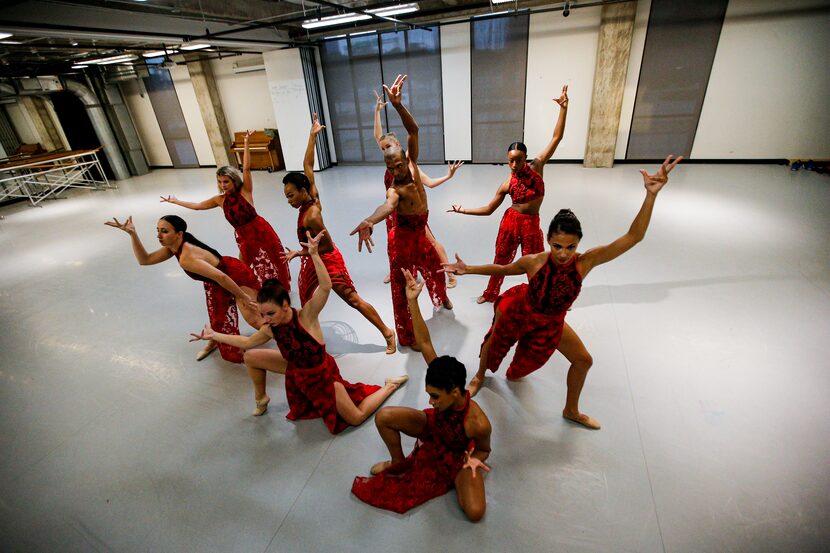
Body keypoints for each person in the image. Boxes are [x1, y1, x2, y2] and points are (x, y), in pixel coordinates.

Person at [443, 155, 683, 430]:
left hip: (551, 321)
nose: (563, 254)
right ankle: (479, 376)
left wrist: (650, 195)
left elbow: (633, 237)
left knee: (581, 361)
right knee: (494, 342)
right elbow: (503, 268)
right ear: (548, 241)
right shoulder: (534, 261)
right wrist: (468, 269)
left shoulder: (586, 261)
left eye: (570, 247)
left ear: (578, 243)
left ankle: (571, 410)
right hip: (522, 309)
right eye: (557, 246)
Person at [190, 230, 408, 429]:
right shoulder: (271, 328)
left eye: (270, 314)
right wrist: (215, 336)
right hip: (296, 372)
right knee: (251, 356)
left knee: (355, 418)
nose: (264, 319)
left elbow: (325, 286)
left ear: (285, 306)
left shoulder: (307, 316)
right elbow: (247, 343)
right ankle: (261, 398)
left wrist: (313, 254)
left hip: (322, 377)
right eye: (263, 314)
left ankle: (389, 386)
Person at [352, 268, 492, 521]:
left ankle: (458, 477)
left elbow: (484, 450)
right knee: (384, 417)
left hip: (457, 452)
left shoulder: (478, 423)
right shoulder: (441, 375)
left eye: (435, 397)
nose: (430, 401)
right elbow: (425, 342)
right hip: (434, 427)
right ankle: (397, 461)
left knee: (475, 512)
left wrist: (473, 462)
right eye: (429, 395)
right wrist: (412, 301)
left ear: (455, 392)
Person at [351, 75, 452, 350]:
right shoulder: (395, 189)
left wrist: (397, 105)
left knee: (436, 268)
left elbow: (414, 130)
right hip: (403, 240)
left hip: (421, 233)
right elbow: (387, 206)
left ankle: (441, 295)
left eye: (398, 164)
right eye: (391, 168)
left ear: (405, 158)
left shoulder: (413, 164)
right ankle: (408, 335)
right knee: (402, 290)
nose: (397, 170)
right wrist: (370, 220)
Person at [283, 114, 396, 354]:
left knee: (353, 300)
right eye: (286, 197)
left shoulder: (312, 215)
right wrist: (312, 137)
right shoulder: (310, 196)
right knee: (306, 300)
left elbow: (327, 247)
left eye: (291, 195)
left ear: (303, 192)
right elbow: (307, 166)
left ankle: (387, 332)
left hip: (326, 259)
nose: (289, 201)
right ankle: (310, 339)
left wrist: (300, 252)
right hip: (312, 259)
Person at [448, 85, 569, 303]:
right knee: (501, 260)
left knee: (538, 262)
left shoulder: (537, 167)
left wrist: (563, 109)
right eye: (510, 159)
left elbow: (556, 138)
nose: (514, 164)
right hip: (510, 223)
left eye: (518, 160)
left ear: (526, 158)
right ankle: (491, 293)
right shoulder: (507, 183)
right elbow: (488, 210)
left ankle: (543, 297)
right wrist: (463, 210)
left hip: (531, 224)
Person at [105, 214, 263, 363]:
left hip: (234, 277)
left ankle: (284, 337)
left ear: (179, 234)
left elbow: (222, 277)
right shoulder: (173, 246)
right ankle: (215, 341)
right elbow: (145, 260)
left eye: (165, 231)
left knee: (255, 319)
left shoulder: (187, 258)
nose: (159, 236)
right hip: (217, 282)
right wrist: (132, 234)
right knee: (217, 318)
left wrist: (242, 296)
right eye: (158, 231)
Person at [160, 130, 291, 289]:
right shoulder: (219, 200)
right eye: (220, 182)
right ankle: (246, 287)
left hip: (260, 229)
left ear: (233, 180)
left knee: (274, 257)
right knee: (243, 264)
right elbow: (197, 207)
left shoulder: (245, 191)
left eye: (226, 181)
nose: (223, 185)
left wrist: (246, 143)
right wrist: (176, 201)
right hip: (243, 236)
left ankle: (282, 286)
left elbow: (247, 168)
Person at [373, 87, 463, 288]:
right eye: (383, 148)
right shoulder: (390, 161)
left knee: (430, 242)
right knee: (395, 247)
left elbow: (429, 183)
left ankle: (450, 273)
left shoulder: (408, 164)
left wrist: (448, 176)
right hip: (395, 211)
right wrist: (377, 111)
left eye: (388, 147)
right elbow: (378, 135)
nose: (385, 150)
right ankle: (398, 271)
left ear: (397, 145)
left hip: (413, 213)